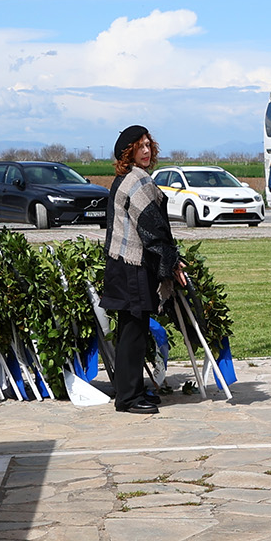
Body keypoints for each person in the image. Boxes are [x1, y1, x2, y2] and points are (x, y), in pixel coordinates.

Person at [100, 125, 187, 415]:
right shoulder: (138, 180)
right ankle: (128, 398)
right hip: (133, 266)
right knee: (133, 333)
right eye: (140, 147)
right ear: (129, 152)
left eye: (149, 145)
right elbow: (154, 230)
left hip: (121, 264)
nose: (147, 151)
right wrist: (171, 262)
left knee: (130, 331)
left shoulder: (123, 178)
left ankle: (131, 390)